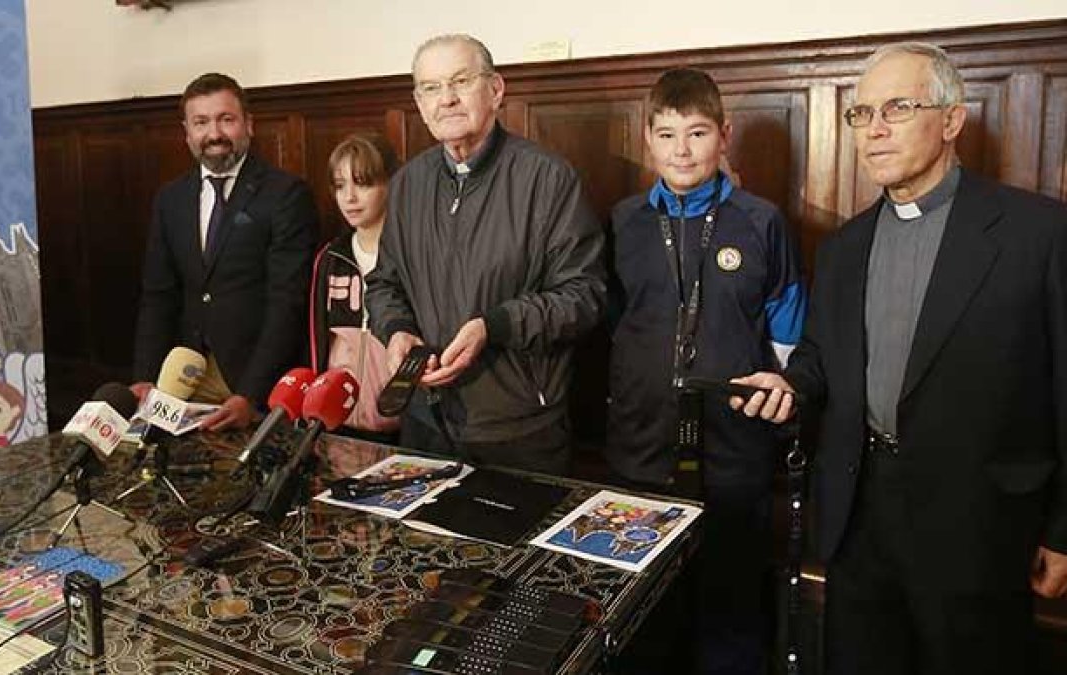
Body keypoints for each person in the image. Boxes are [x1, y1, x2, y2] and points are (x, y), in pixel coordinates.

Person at [734, 42, 1067, 674]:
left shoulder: (1039, 234)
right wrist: (788, 389)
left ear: (950, 119)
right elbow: (819, 360)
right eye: (861, 114)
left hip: (979, 525)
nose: (874, 129)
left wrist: (1064, 531)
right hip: (861, 516)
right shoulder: (842, 247)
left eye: (898, 108)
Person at [606, 67, 805, 675]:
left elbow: (787, 335)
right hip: (642, 442)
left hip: (735, 445)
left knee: (732, 608)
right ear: (649, 140)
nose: (682, 150)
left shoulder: (761, 220)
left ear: (724, 135)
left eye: (696, 133)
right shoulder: (623, 221)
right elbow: (615, 321)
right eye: (667, 135)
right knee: (645, 609)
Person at [365, 34, 605, 476]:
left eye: (460, 81)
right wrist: (396, 330)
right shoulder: (408, 184)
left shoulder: (547, 178)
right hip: (424, 419)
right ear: (419, 102)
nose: (447, 99)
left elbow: (584, 297)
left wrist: (493, 327)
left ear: (495, 90)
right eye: (432, 88)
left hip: (517, 427)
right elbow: (384, 283)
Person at [132, 72, 318, 430]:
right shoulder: (170, 199)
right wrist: (144, 377)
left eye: (226, 119)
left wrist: (251, 394)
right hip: (183, 378)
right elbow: (158, 296)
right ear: (186, 132)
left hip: (253, 380)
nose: (214, 134)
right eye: (201, 122)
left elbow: (287, 302)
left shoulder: (286, 195)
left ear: (249, 124)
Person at [310, 133, 401, 444]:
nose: (348, 197)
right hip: (339, 426)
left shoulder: (411, 255)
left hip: (404, 428)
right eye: (339, 185)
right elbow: (317, 341)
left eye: (361, 183)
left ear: (390, 184)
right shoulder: (330, 257)